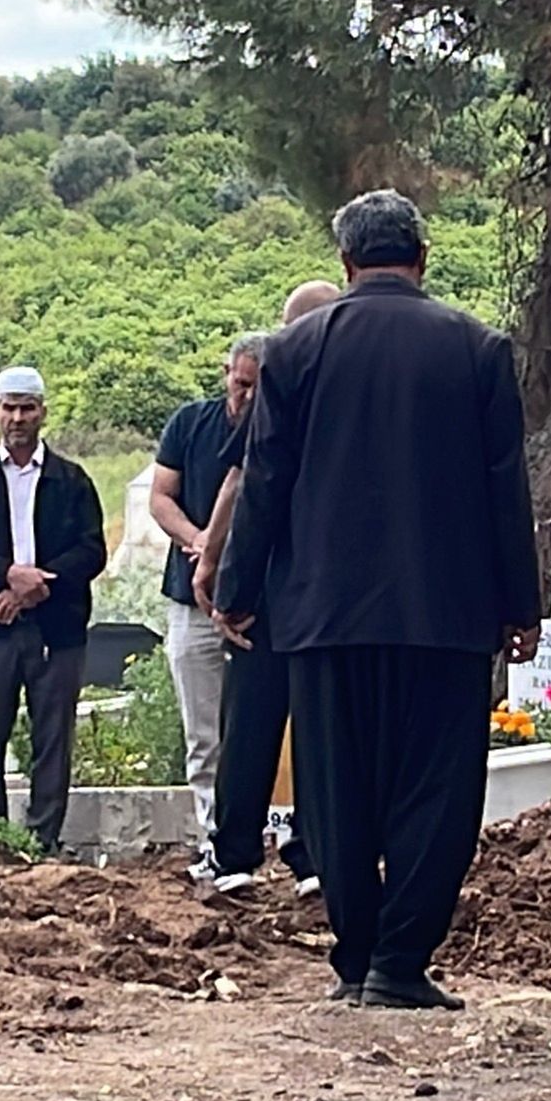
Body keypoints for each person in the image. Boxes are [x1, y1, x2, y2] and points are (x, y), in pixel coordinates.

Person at [216, 193, 542, 1010]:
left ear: (346, 264)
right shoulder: (476, 347)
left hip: (323, 615)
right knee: (436, 789)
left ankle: (356, 957)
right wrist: (520, 606)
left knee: (335, 789)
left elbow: (265, 482)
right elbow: (508, 489)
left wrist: (237, 587)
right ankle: (401, 961)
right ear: (422, 258)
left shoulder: (293, 351)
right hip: (447, 614)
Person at [194, 282, 340, 894]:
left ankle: (234, 857)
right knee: (320, 727)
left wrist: (218, 571)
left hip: (275, 584)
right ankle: (314, 857)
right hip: (333, 591)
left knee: (251, 722)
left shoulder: (280, 389)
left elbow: (241, 483)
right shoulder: (356, 395)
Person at [0, 367, 108, 855]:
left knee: (53, 739)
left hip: (58, 630)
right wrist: (7, 574)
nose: (17, 418)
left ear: (43, 413)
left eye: (27, 408)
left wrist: (36, 586)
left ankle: (42, 843)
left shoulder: (71, 480)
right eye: (9, 408)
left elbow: (91, 550)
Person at [151, 336, 263, 844]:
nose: (246, 398)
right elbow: (160, 497)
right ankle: (211, 834)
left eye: (258, 389)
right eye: (240, 384)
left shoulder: (283, 429)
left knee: (261, 727)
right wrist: (201, 543)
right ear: (226, 374)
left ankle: (263, 834)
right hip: (192, 599)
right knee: (202, 731)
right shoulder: (190, 423)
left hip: (261, 605)